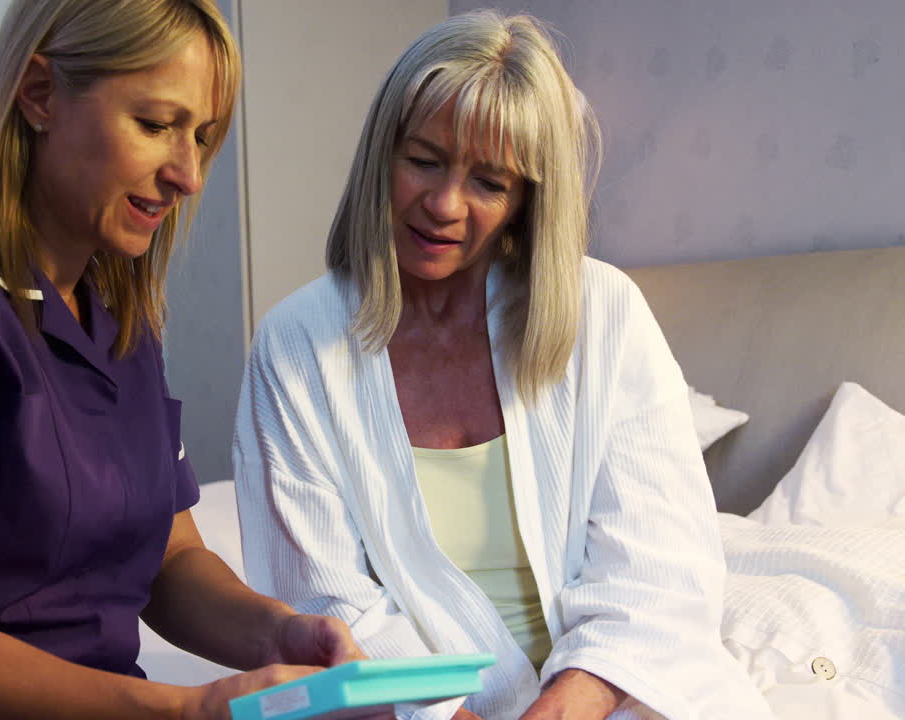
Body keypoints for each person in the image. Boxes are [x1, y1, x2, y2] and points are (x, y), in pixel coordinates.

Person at [0, 2, 370, 718]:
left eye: (202, 138)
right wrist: (186, 709)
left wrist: (281, 632)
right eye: (154, 125)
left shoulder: (115, 317)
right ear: (41, 94)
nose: (189, 175)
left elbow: (168, 562)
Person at [232, 10, 775, 720]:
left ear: (526, 202)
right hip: (403, 708)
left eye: (489, 182)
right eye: (424, 159)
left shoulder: (603, 314)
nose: (444, 204)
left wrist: (556, 710)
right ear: (382, 154)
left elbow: (658, 574)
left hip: (607, 694)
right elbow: (327, 601)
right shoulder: (296, 345)